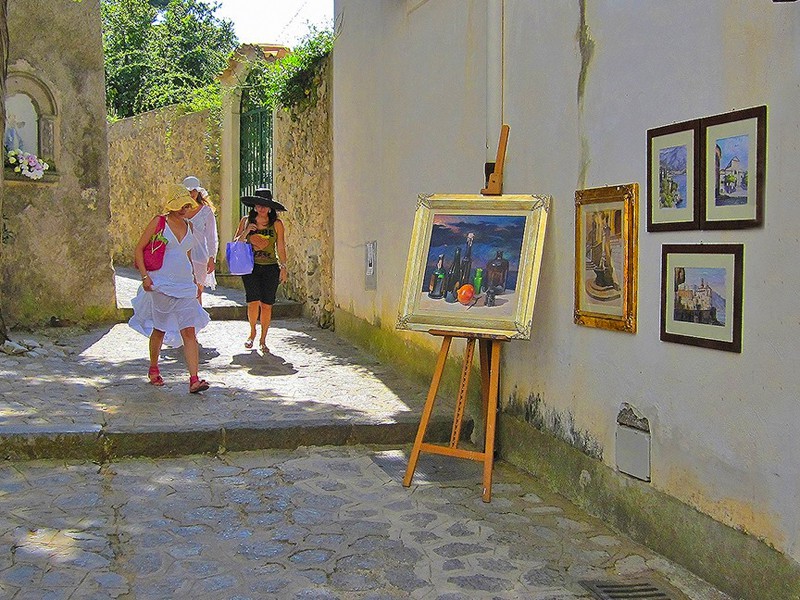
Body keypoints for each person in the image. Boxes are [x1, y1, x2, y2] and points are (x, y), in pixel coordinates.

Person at [129, 184, 211, 393]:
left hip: (184, 284)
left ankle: (194, 378)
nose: (185, 209)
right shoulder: (159, 222)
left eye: (187, 205)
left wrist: (195, 281)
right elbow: (139, 248)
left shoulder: (190, 226)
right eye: (182, 205)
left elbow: (188, 256)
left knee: (189, 330)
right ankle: (154, 367)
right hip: (162, 283)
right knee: (160, 328)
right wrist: (145, 276)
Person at [233, 188, 288, 353]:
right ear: (254, 206)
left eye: (265, 205)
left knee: (267, 305)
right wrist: (246, 232)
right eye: (259, 205)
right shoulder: (245, 221)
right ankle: (252, 332)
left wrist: (283, 267)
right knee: (253, 301)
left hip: (271, 267)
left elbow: (281, 246)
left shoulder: (276, 224)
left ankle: (263, 338)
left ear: (270, 207)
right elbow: (235, 242)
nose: (261, 208)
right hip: (250, 267)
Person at [181, 176, 219, 301]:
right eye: (188, 191)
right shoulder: (178, 212)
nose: (191, 194)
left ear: (198, 192)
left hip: (200, 257)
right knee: (183, 293)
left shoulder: (206, 212)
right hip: (180, 256)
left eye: (194, 191)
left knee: (197, 294)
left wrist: (212, 257)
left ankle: (197, 321)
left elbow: (211, 236)